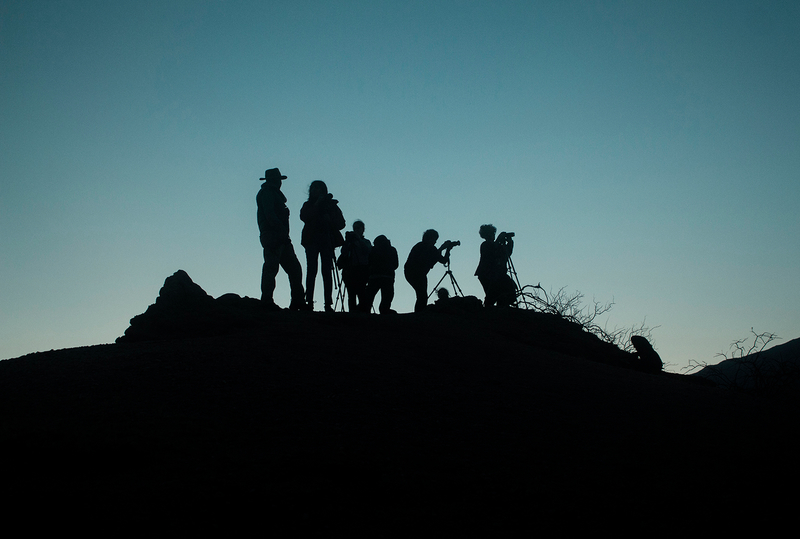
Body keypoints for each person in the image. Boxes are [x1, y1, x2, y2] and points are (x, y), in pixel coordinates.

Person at [256, 168, 305, 310]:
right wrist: (280, 228)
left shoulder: (271, 194)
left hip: (280, 236)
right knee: (272, 268)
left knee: (294, 269)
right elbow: (270, 214)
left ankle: (297, 300)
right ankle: (267, 300)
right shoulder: (267, 194)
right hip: (274, 236)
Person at [300, 180, 346, 312]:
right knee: (312, 271)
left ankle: (328, 304)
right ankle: (309, 302)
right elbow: (304, 217)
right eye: (314, 188)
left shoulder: (331, 206)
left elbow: (341, 223)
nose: (315, 190)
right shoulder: (309, 205)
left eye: (318, 188)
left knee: (326, 272)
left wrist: (329, 219)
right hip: (312, 241)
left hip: (325, 240)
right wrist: (317, 204)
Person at [404, 229, 451, 313]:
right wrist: (442, 249)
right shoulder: (421, 247)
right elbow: (429, 257)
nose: (435, 242)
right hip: (415, 273)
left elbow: (442, 260)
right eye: (434, 240)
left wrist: (447, 249)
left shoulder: (426, 247)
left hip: (416, 273)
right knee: (422, 295)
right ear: (430, 239)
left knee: (421, 295)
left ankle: (420, 312)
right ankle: (419, 313)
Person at [474, 224, 516, 307]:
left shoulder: (498, 246)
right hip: (487, 274)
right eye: (491, 234)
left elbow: (507, 254)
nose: (493, 235)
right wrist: (499, 238)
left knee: (506, 290)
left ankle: (502, 307)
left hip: (497, 274)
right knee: (492, 293)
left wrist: (510, 242)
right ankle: (488, 309)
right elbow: (491, 250)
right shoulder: (485, 245)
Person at [338, 220, 372, 312]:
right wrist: (348, 242)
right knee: (351, 294)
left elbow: (367, 251)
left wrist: (358, 240)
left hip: (362, 270)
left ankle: (363, 313)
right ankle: (352, 313)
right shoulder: (349, 243)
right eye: (355, 228)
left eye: (358, 228)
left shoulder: (366, 242)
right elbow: (343, 252)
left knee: (362, 293)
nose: (356, 230)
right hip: (350, 270)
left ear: (363, 229)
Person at [361, 234, 398, 314]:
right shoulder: (392, 249)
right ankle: (384, 310)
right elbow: (396, 264)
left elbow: (368, 263)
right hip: (388, 276)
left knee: (369, 296)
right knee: (387, 296)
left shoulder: (373, 250)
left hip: (374, 277)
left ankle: (365, 311)